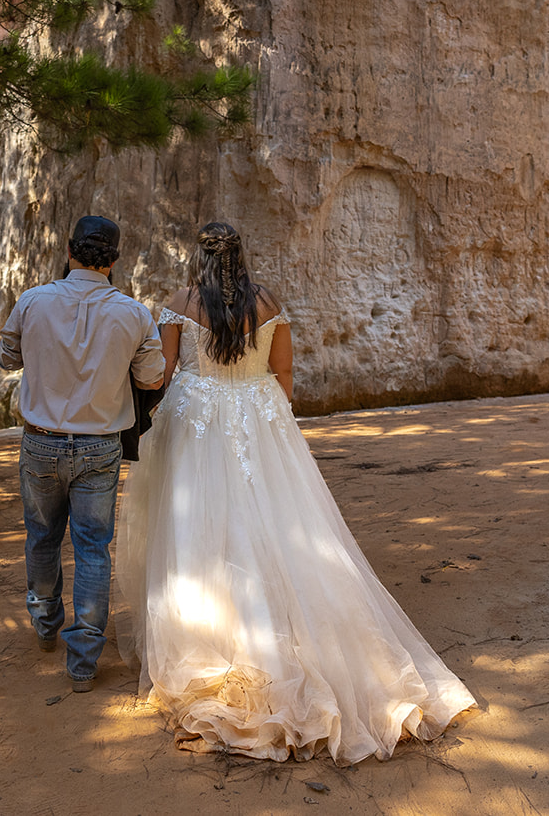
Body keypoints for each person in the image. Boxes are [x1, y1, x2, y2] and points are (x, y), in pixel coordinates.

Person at [116, 222, 476, 764]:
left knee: (198, 528)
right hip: (257, 420)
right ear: (242, 255)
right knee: (275, 523)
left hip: (197, 424)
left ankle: (214, 639)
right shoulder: (267, 303)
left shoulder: (181, 301)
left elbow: (163, 374)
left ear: (200, 257)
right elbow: (283, 377)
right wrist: (258, 413)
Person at [0, 215, 165, 692]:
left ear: (68, 251)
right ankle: (84, 659)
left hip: (40, 441)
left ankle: (45, 622)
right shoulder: (133, 313)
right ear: (113, 262)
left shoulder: (32, 301)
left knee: (42, 537)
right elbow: (152, 379)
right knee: (93, 547)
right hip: (99, 446)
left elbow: (7, 358)